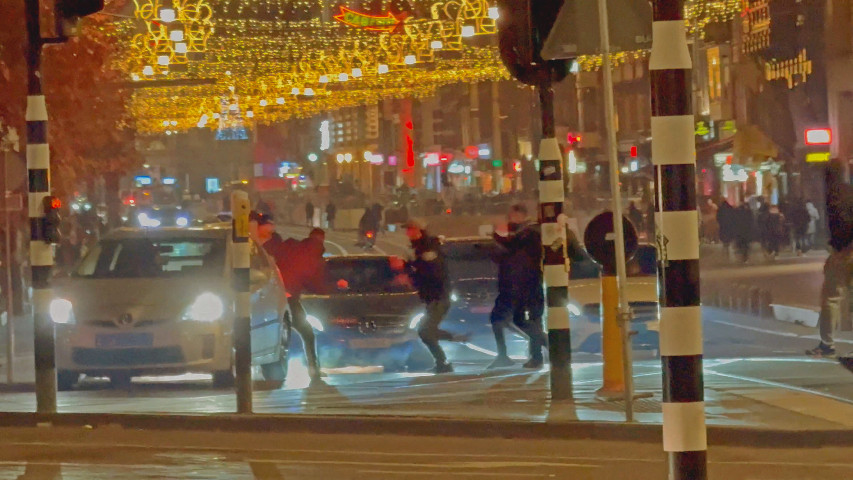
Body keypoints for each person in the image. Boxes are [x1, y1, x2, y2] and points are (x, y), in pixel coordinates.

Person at [249, 211, 323, 380]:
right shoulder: (251, 246)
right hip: (263, 296)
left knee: (306, 331)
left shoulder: (277, 244)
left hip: (285, 296)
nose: (271, 226)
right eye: (268, 223)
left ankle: (313, 366)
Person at [393, 219, 461, 373]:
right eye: (407, 230)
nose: (408, 233)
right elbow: (420, 269)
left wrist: (406, 268)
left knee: (425, 332)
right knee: (425, 331)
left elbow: (430, 272)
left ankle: (444, 361)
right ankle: (450, 345)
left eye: (411, 229)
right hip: (431, 297)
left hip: (438, 297)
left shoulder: (428, 246)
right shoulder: (419, 248)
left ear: (420, 230)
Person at [487, 204, 549, 369]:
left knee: (528, 319)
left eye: (512, 216)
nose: (510, 219)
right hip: (523, 283)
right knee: (524, 319)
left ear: (521, 215)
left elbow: (513, 248)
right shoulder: (524, 234)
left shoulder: (530, 233)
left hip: (527, 283)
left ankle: (546, 349)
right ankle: (539, 354)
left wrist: (498, 237)